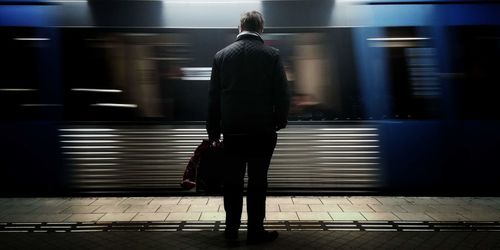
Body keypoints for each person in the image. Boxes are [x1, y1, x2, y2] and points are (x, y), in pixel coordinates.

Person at [206, 10, 290, 244]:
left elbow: (213, 98)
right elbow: (282, 94)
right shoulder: (272, 55)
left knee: (232, 183)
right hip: (262, 132)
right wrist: (279, 120)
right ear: (261, 29)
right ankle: (255, 232)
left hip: (232, 132)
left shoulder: (221, 56)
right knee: (257, 182)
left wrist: (213, 131)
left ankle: (231, 232)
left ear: (240, 27)